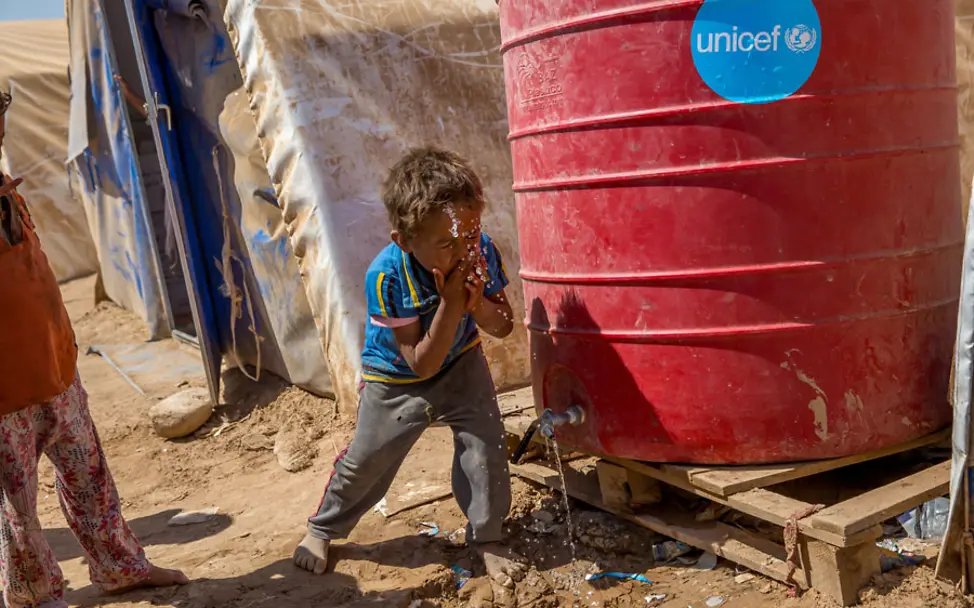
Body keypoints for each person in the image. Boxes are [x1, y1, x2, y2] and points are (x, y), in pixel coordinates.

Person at [293, 146, 527, 591]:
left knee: (485, 447)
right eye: (446, 243)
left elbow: (503, 324)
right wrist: (452, 305)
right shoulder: (387, 276)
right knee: (368, 460)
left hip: (461, 364)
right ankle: (323, 528)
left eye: (470, 232)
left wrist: (475, 307)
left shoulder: (479, 251)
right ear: (404, 240)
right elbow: (421, 363)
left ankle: (487, 537)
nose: (463, 248)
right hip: (397, 380)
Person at [0, 90, 188, 608]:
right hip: (5, 396)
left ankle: (120, 568)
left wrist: (64, 342)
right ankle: (38, 595)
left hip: (57, 371)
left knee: (89, 480)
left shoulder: (9, 193)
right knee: (18, 508)